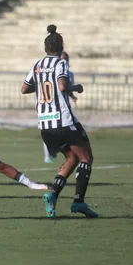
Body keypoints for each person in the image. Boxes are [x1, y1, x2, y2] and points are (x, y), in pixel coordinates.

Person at [21, 24, 98, 218]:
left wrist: (40, 87)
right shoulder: (60, 63)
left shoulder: (36, 65)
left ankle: (52, 195)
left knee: (72, 158)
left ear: (45, 47)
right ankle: (79, 202)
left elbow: (24, 88)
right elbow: (63, 86)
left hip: (45, 126)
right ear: (61, 47)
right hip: (63, 120)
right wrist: (76, 87)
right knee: (86, 157)